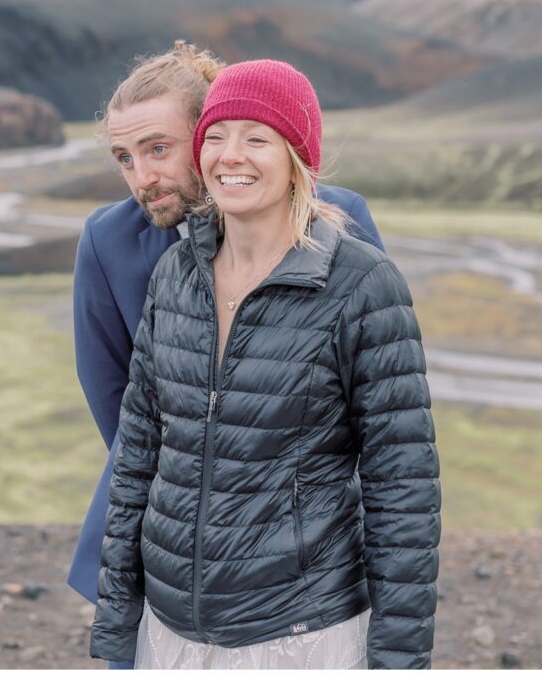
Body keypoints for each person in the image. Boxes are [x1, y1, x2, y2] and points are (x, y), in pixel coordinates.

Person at [89, 59, 440, 670]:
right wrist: (119, 617)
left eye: (257, 137)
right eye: (217, 138)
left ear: (296, 155)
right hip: (171, 621)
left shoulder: (361, 279)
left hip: (300, 624)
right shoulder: (174, 275)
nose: (231, 155)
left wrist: (399, 655)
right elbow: (137, 450)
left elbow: (400, 482)